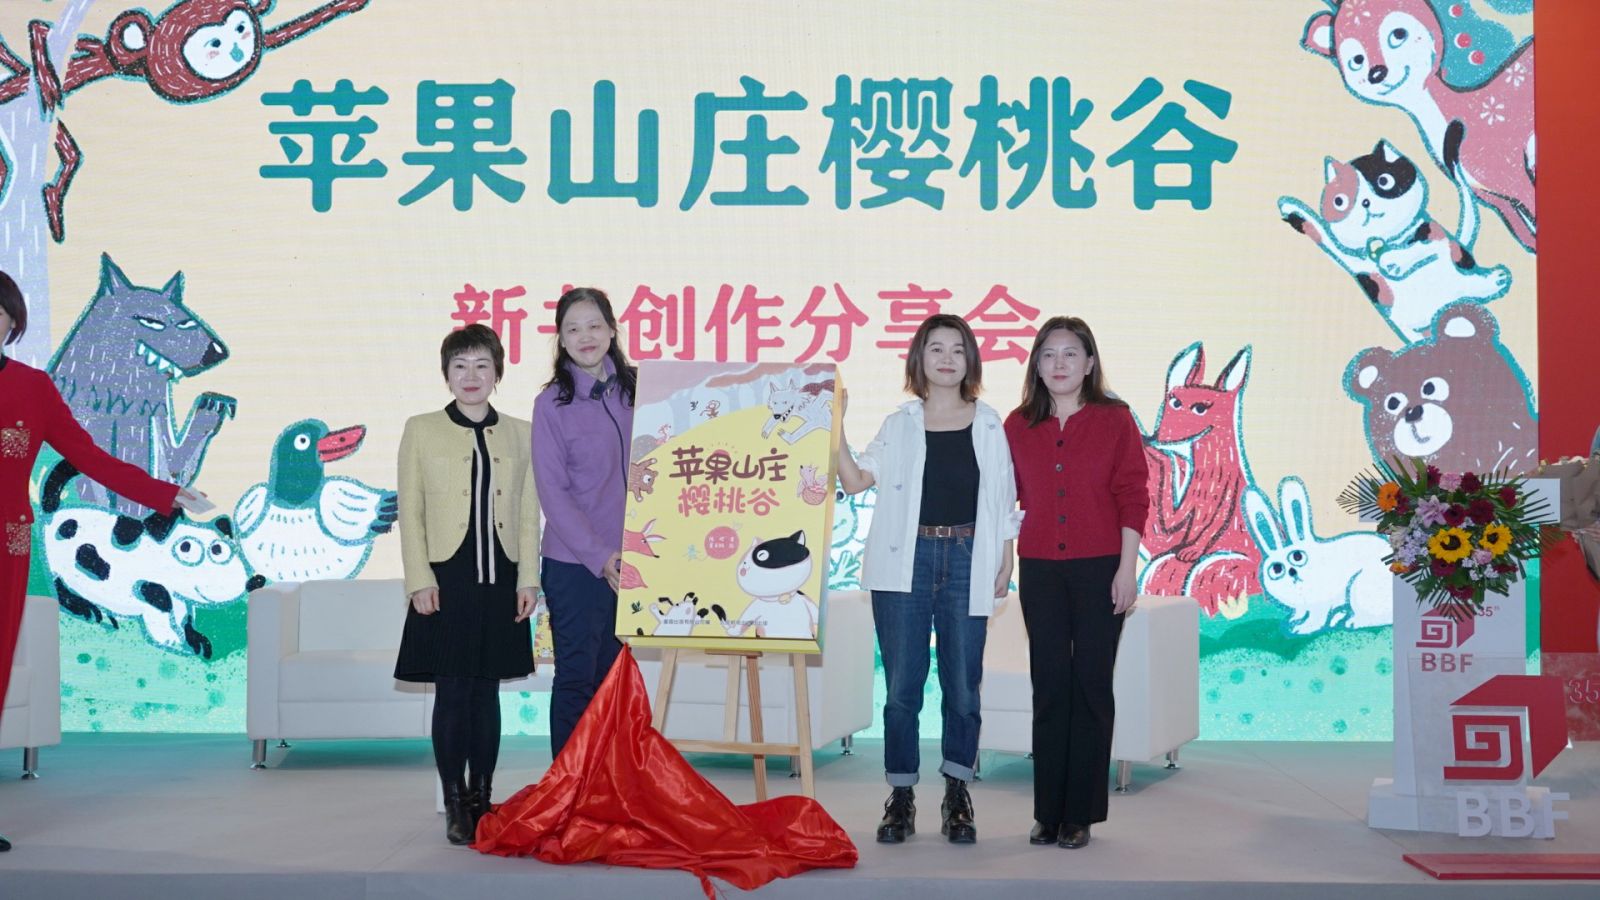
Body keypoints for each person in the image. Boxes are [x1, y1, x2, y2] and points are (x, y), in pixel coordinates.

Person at [0, 271, 197, 853]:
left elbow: (89, 457)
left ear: (12, 323)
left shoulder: (34, 388)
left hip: (6, 544)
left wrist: (163, 492)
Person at [836, 314, 1019, 845]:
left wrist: (1005, 556)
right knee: (902, 689)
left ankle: (957, 791)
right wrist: (834, 426)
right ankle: (901, 795)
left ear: (970, 361)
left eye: (957, 349)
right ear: (919, 358)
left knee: (963, 685)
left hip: (968, 556)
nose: (946, 358)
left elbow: (1004, 496)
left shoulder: (989, 423)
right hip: (905, 562)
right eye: (935, 348)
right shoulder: (899, 424)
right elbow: (856, 479)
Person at [1004, 316, 1148, 850]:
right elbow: (1004, 501)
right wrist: (1003, 562)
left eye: (1070, 353)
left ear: (1089, 363)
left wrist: (1127, 569)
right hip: (1040, 569)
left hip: (1100, 568)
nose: (1059, 363)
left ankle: (1081, 814)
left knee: (1091, 685)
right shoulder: (1018, 424)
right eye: (1048, 354)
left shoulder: (1115, 419)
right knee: (1049, 686)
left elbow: (1134, 493)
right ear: (1036, 366)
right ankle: (1048, 811)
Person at [395, 324, 540, 845]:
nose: (471, 375)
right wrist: (419, 579)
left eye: (482, 365)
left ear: (497, 372)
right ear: (446, 374)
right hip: (446, 578)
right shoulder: (421, 429)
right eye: (460, 366)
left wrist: (529, 579)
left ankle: (483, 797)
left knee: (487, 693)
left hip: (501, 579)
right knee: (453, 693)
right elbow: (410, 511)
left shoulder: (522, 433)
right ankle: (455, 802)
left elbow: (529, 513)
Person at [532, 287, 635, 761]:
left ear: (612, 330)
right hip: (575, 565)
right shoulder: (552, 403)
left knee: (615, 682)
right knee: (577, 678)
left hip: (634, 563)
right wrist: (601, 557)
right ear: (561, 339)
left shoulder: (641, 391)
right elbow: (553, 494)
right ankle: (569, 790)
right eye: (572, 329)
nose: (585, 336)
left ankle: (609, 785)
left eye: (594, 325)